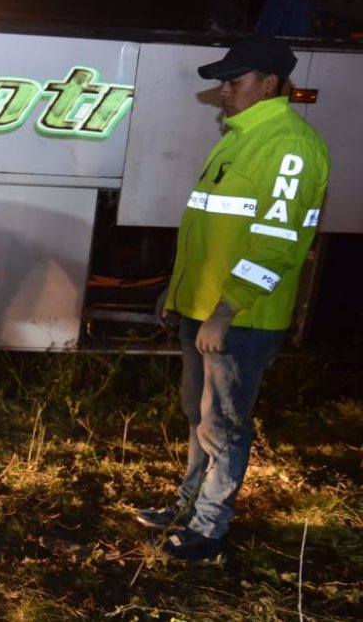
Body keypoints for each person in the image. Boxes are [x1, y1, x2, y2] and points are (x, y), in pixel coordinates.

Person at [136, 36, 329, 561]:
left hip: (240, 318)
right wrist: (179, 296)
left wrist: (226, 310)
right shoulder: (240, 137)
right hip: (204, 311)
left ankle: (208, 529)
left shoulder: (289, 145)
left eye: (234, 81)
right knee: (199, 419)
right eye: (223, 82)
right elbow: (210, 231)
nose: (224, 91)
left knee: (222, 425)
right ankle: (187, 506)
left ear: (269, 84)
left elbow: (278, 244)